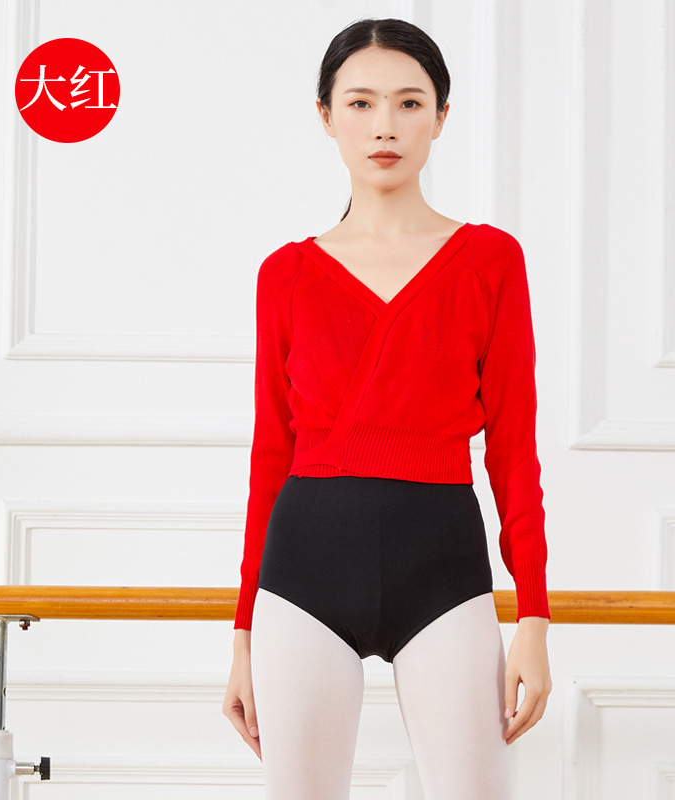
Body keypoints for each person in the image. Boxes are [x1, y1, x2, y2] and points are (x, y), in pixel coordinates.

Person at [222, 17, 552, 799]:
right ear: (325, 115)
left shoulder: (490, 260)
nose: (384, 127)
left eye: (409, 103)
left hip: (443, 569)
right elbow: (270, 456)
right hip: (303, 574)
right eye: (361, 103)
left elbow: (514, 447)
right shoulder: (286, 275)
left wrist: (534, 620)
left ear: (441, 117)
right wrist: (242, 634)